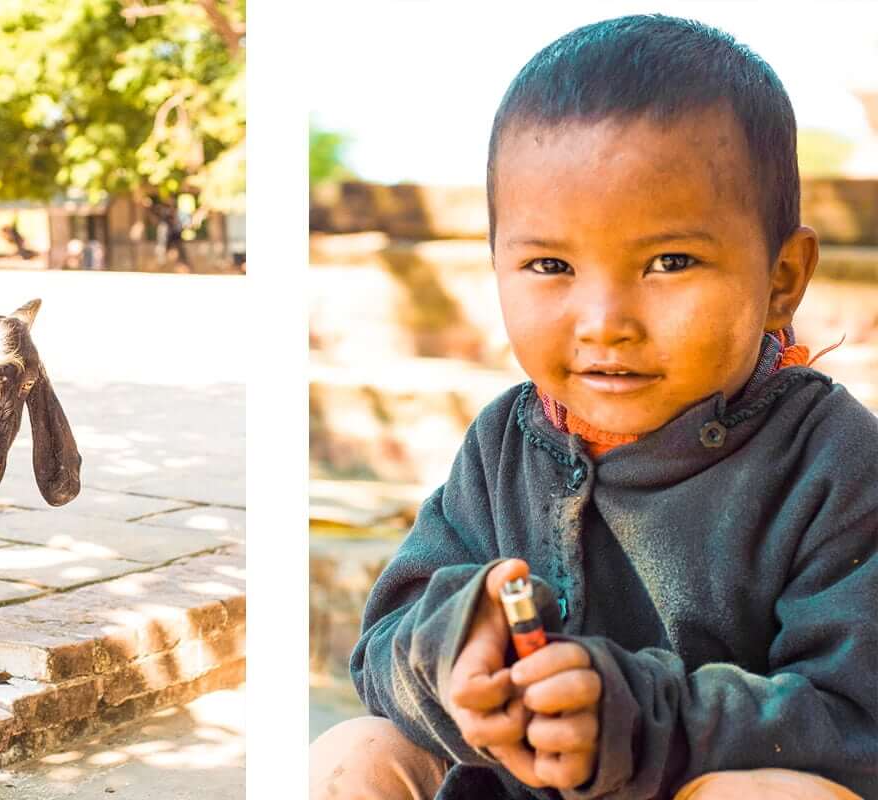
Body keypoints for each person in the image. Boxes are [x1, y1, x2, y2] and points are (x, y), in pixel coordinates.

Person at [310, 14, 876, 800]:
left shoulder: (834, 463)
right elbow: (380, 658)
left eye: (669, 261)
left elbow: (858, 723)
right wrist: (453, 653)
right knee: (355, 751)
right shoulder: (504, 445)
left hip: (700, 784)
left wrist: (633, 720)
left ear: (783, 278)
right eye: (550, 264)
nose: (604, 319)